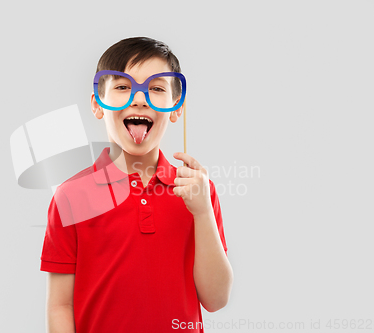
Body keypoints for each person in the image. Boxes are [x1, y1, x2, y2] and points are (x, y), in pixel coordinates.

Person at [40, 36, 233, 333]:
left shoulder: (197, 191)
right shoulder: (71, 196)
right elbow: (60, 305)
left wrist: (203, 212)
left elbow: (216, 299)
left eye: (156, 89)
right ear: (98, 104)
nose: (140, 98)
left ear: (176, 106)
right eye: (122, 87)